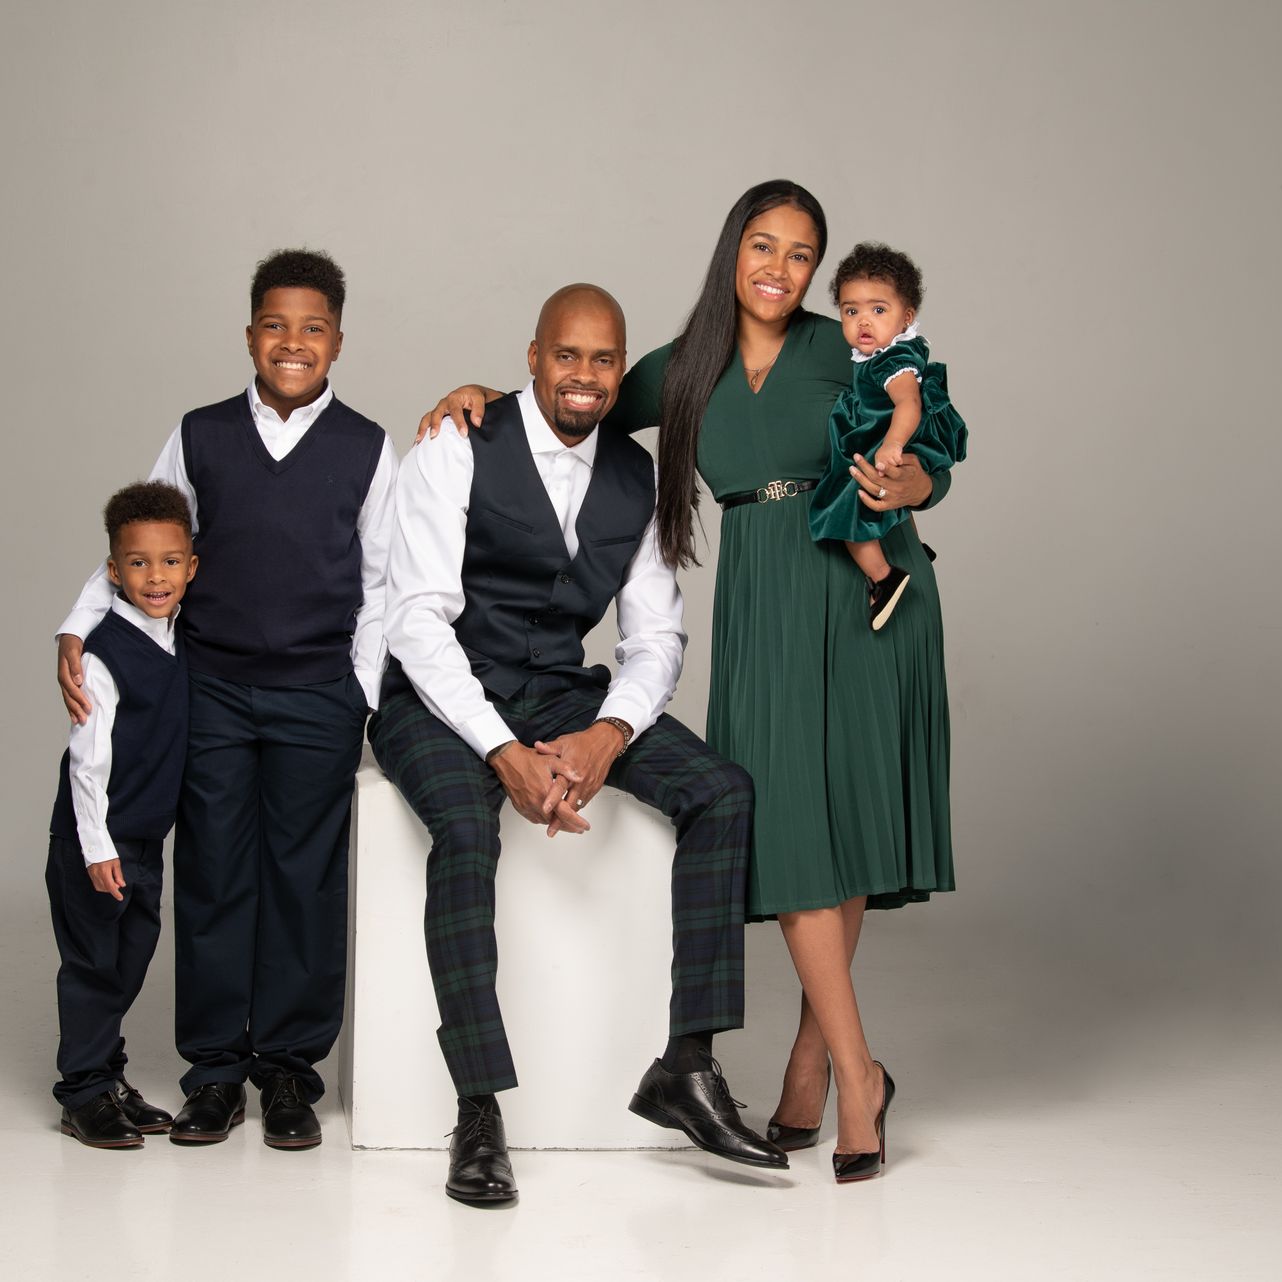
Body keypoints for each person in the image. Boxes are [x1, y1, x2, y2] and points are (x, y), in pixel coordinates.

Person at [418, 180, 956, 1183]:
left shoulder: (843, 346)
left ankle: (833, 1070)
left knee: (842, 827)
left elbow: (929, 446)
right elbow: (567, 399)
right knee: (792, 827)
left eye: (802, 254)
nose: (780, 269)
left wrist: (911, 480)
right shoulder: (679, 369)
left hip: (866, 588)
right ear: (732, 250)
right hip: (766, 596)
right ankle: (853, 1068)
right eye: (764, 245)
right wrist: (476, 395)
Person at [374, 283, 788, 1208]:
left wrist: (608, 732)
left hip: (562, 690)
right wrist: (501, 750)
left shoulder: (640, 476)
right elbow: (416, 622)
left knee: (723, 790)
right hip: (435, 697)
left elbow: (657, 637)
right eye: (567, 355)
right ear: (533, 358)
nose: (586, 376)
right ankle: (478, 1108)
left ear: (620, 368)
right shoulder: (455, 444)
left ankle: (687, 1066)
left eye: (605, 359)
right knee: (468, 832)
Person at [54, 249, 396, 1149]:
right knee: (212, 874)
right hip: (209, 694)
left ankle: (286, 1070)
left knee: (304, 882)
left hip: (317, 698)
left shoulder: (367, 447)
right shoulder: (199, 435)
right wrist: (76, 627)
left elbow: (383, 582)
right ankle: (213, 1071)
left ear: (338, 343)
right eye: (275, 325)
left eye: (313, 328)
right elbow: (142, 543)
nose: (293, 342)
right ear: (249, 337)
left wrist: (357, 692)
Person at [46, 481, 195, 1148]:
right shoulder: (103, 654)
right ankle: (82, 1092)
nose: (155, 577)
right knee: (93, 966)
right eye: (138, 563)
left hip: (143, 841)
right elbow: (87, 762)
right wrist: (97, 847)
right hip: (96, 843)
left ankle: (108, 1077)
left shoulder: (179, 634)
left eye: (170, 562)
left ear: (191, 567)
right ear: (113, 571)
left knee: (130, 959)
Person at [807, 242, 967, 630]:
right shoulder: (881, 355)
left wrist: (893, 444)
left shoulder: (892, 361)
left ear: (906, 316)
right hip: (885, 436)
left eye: (878, 310)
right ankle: (915, 547)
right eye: (851, 311)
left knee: (843, 506)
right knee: (892, 499)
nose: (864, 322)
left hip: (890, 441)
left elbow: (909, 403)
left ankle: (883, 578)